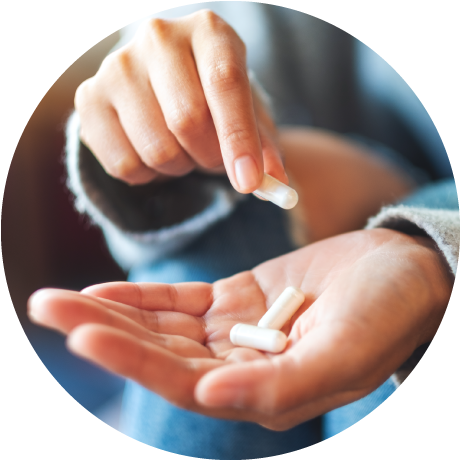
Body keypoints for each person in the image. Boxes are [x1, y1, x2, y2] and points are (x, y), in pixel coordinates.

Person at [27, 3, 458, 457]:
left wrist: (434, 246)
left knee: (386, 364)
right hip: (321, 189)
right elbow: (186, 94)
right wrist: (153, 127)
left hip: (429, 225)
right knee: (210, 239)